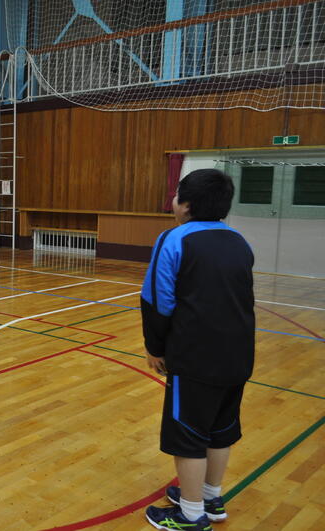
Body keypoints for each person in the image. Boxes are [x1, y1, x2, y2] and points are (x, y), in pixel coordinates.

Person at [140, 169, 255, 530]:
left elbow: (157, 300)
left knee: (188, 435)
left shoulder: (173, 239)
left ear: (186, 205)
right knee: (221, 429)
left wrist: (155, 347)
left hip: (195, 357)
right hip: (239, 354)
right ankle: (210, 497)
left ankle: (191, 515)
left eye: (176, 195)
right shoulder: (238, 240)